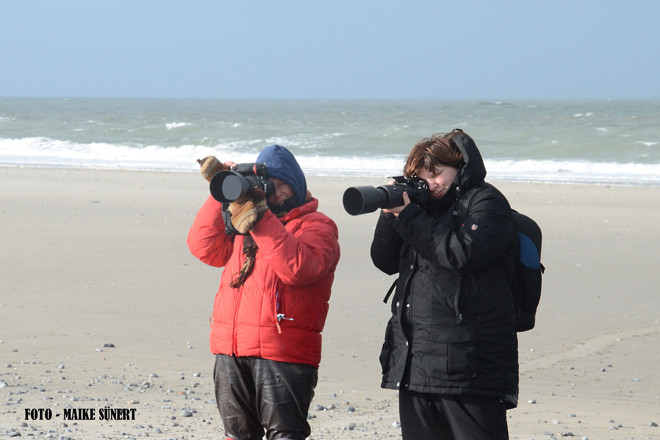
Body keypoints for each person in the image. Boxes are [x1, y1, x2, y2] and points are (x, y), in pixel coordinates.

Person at [370, 129, 518, 439]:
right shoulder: (420, 211)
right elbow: (384, 261)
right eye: (424, 178)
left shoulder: (486, 202)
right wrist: (391, 214)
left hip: (470, 368)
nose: (432, 183)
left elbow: (462, 254)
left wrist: (409, 217)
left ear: (459, 167)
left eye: (438, 173)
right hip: (416, 363)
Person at [188, 145, 341, 440]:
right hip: (231, 346)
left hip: (283, 350)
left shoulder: (318, 226)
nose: (277, 193)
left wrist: (259, 218)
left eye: (283, 185)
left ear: (297, 185)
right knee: (236, 434)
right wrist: (220, 192)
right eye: (272, 186)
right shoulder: (243, 222)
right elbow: (203, 248)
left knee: (285, 434)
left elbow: (297, 269)